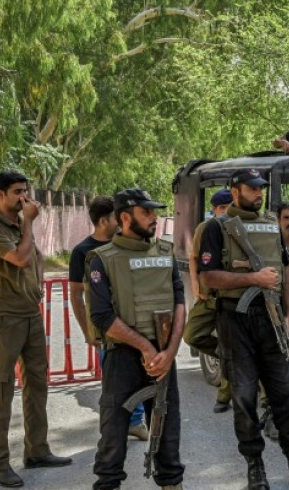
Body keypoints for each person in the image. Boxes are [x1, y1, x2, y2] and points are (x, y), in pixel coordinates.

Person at [199, 168, 289, 490]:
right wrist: (252, 279)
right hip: (235, 319)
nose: (259, 194)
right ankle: (254, 467)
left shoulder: (270, 224)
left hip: (271, 319)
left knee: (287, 393)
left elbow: (285, 271)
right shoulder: (216, 228)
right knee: (244, 398)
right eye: (252, 189)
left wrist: (287, 313)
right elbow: (208, 278)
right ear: (235, 191)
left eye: (260, 189)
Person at [0, 170, 72, 488]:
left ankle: (37, 450)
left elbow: (35, 259)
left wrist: (38, 288)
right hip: (4, 319)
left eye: (25, 191)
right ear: (0, 194)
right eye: (17, 191)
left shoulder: (20, 225)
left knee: (37, 384)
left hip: (30, 315)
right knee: (1, 393)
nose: (24, 197)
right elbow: (19, 258)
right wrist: (30, 222)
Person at [87, 188, 186, 490]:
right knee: (114, 431)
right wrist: (145, 347)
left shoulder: (165, 252)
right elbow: (102, 316)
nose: (155, 217)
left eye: (155, 211)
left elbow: (180, 304)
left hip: (163, 355)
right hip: (123, 357)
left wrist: (169, 353)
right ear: (125, 217)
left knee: (168, 428)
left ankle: (172, 484)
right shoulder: (102, 259)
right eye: (147, 212)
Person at [69, 196, 148, 441]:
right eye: (117, 216)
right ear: (104, 221)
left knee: (141, 376)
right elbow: (76, 295)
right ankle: (118, 426)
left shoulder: (127, 245)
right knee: (115, 382)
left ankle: (134, 422)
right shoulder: (82, 252)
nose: (122, 220)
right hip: (107, 330)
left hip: (136, 326)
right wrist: (87, 332)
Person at [183, 189, 234, 413]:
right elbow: (193, 258)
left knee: (232, 342)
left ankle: (224, 396)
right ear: (214, 210)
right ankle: (227, 355)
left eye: (229, 207)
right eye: (222, 208)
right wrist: (195, 285)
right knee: (192, 335)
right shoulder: (206, 228)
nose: (226, 212)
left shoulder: (237, 227)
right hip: (208, 296)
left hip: (231, 297)